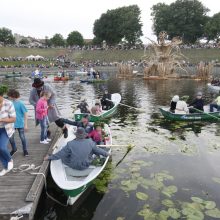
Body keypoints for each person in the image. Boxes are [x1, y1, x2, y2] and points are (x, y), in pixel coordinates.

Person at [44, 127, 110, 170]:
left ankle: (51, 156)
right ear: (84, 135)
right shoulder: (90, 142)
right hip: (85, 165)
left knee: (64, 153)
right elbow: (98, 150)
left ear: (76, 135)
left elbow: (60, 154)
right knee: (94, 152)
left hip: (73, 165)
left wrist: (49, 157)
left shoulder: (70, 143)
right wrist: (107, 154)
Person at [7, 89, 29, 156]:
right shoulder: (9, 103)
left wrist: (26, 125)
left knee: (22, 137)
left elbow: (25, 114)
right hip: (11, 124)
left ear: (12, 96)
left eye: (9, 96)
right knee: (10, 138)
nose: (8, 97)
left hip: (20, 123)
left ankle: (25, 150)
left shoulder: (20, 104)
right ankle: (14, 149)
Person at [0, 85, 16, 176]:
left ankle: (10, 159)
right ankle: (6, 167)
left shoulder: (9, 103)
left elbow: (13, 119)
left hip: (6, 129)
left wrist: (1, 120)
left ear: (1, 96)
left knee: (2, 147)